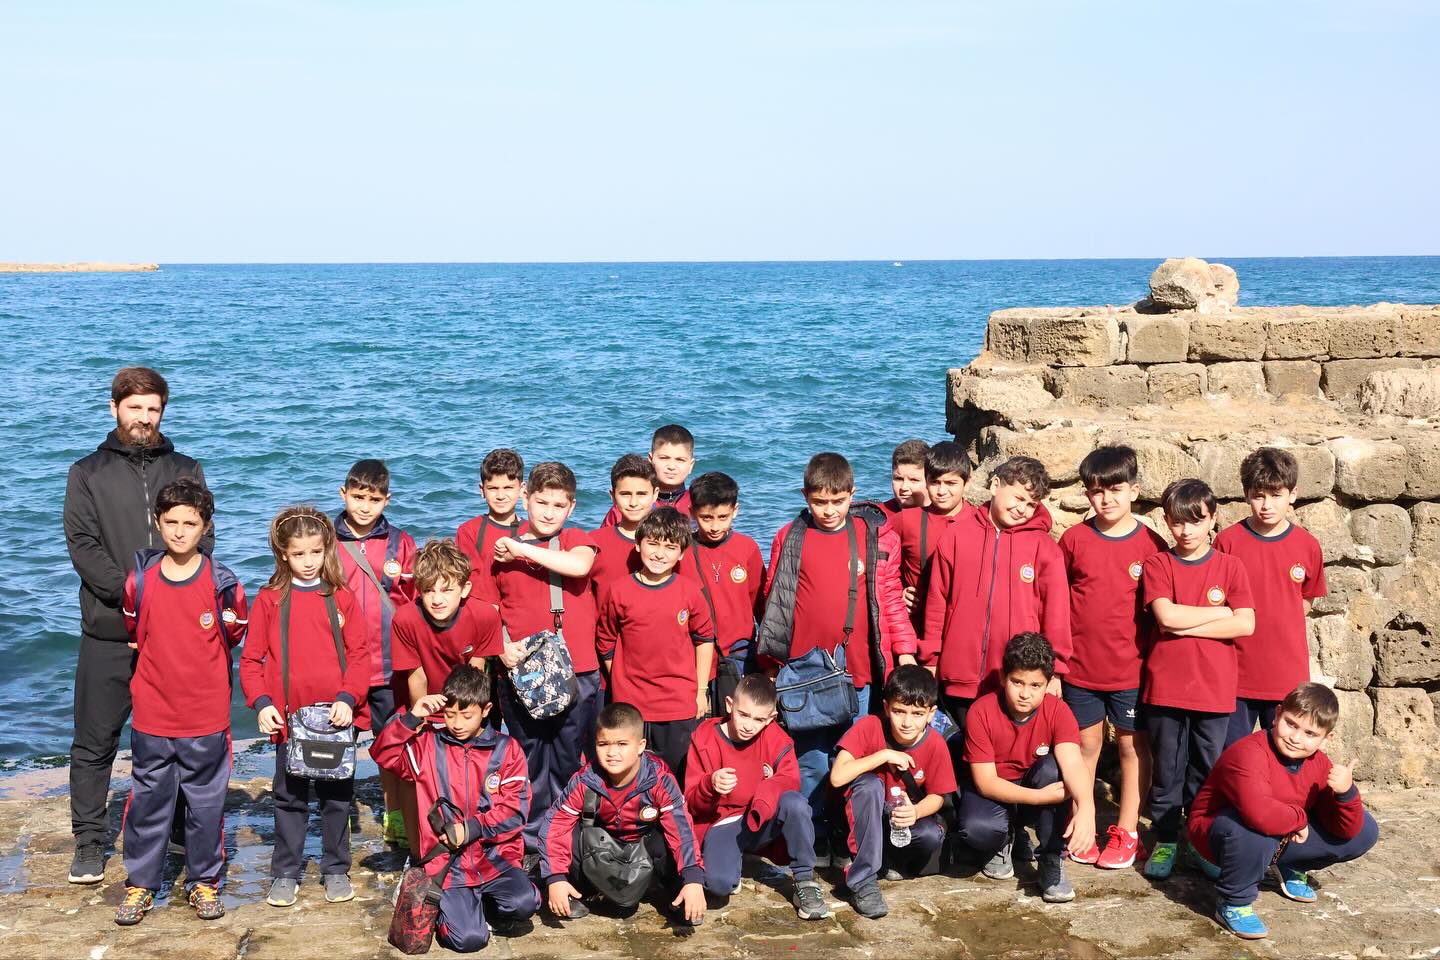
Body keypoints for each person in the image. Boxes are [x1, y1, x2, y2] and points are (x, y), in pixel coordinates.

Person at [63, 366, 210, 884]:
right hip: (107, 629)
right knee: (95, 740)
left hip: (172, 636)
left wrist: (168, 603)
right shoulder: (87, 473)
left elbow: (201, 542)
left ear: (163, 412)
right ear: (114, 409)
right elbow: (83, 546)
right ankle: (89, 839)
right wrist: (135, 594)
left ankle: (174, 826)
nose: (144, 418)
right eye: (134, 408)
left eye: (153, 410)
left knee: (172, 739)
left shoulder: (186, 467)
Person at [755, 452, 917, 865]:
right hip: (803, 676)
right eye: (819, 502)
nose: (828, 511)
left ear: (852, 495)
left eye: (837, 501)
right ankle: (812, 841)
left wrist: (906, 654)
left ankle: (852, 839)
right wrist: (772, 668)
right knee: (810, 762)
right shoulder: (788, 537)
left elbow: (891, 602)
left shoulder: (876, 537)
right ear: (805, 496)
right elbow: (774, 602)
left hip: (857, 671)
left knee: (851, 760)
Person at [112, 479, 247, 926]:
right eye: (171, 522)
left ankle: (204, 880)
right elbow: (135, 635)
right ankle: (140, 885)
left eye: (190, 523)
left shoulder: (224, 584)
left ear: (206, 527)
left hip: (206, 716)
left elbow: (232, 636)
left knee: (206, 805)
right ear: (157, 523)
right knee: (148, 802)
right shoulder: (140, 581)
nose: (180, 531)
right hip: (153, 714)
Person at [239, 506, 371, 907]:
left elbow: (361, 654)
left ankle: (335, 868)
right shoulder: (268, 600)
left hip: (334, 719)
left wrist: (349, 698)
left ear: (326, 549)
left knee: (336, 798)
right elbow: (251, 660)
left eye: (315, 552)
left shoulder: (342, 597)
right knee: (290, 797)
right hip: (289, 722)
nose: (309, 561)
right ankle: (285, 872)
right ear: (283, 554)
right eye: (299, 554)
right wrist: (261, 703)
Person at [1189, 682, 1378, 940]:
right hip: (1219, 835)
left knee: (1365, 831)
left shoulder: (1319, 763)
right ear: (1277, 714)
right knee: (1255, 829)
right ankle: (1234, 902)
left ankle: (1291, 865)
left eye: (1310, 733)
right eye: (1291, 724)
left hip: (1277, 831)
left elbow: (1346, 828)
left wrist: (1346, 793)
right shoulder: (1248, 752)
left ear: (1326, 739)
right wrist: (1299, 819)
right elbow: (1259, 813)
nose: (1296, 738)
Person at [371, 665, 540, 952]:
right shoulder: (427, 745)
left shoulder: (506, 749)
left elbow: (516, 811)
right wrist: (412, 717)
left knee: (525, 903)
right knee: (469, 940)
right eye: (450, 715)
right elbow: (382, 753)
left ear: (486, 710)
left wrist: (471, 828)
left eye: (466, 715)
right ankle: (450, 911)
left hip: (494, 857)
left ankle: (483, 903)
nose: (457, 723)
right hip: (447, 864)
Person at [1057, 445, 1167, 869]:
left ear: (1134, 491)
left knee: (1132, 750)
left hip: (1131, 669)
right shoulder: (1074, 540)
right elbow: (1057, 599)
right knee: (1083, 746)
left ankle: (1127, 830)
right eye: (1096, 491)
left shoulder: (1151, 544)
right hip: (1081, 668)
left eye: (1115, 489)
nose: (1106, 499)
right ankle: (1081, 821)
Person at [1141, 479, 1255, 880]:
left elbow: (1245, 624)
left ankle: (1202, 839)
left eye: (1195, 521)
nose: (1186, 531)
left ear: (1212, 519)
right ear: (1166, 522)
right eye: (1176, 522)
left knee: (1207, 770)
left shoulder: (1230, 566)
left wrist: (1188, 624)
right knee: (1167, 771)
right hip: (1166, 687)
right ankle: (1167, 839)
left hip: (1214, 689)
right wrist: (1219, 615)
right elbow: (1165, 617)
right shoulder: (1159, 564)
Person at [490, 462, 601, 861]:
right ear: (526, 499)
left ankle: (567, 838)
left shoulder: (575, 539)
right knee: (531, 757)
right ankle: (532, 840)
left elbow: (579, 565)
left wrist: (521, 549)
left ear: (571, 507)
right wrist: (501, 643)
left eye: (558, 504)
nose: (549, 512)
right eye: (541, 502)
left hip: (579, 671)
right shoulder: (501, 550)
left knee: (571, 757)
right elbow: (489, 606)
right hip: (524, 673)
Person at [921, 456, 1071, 748]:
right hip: (959, 673)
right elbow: (937, 601)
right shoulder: (956, 536)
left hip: (1014, 679)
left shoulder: (1044, 548)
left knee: (1005, 752)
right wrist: (931, 659)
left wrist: (1055, 672)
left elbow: (1056, 614)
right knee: (959, 750)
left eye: (1031, 504)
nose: (1022, 509)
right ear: (994, 485)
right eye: (1018, 498)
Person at [956, 633, 1096, 904]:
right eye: (1017, 682)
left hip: (1034, 785)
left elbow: (1073, 762)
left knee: (1057, 771)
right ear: (1002, 678)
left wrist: (1088, 807)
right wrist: (1042, 797)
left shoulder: (1059, 712)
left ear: (1048, 685)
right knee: (977, 830)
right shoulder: (980, 711)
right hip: (994, 794)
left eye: (1035, 685)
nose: (1024, 693)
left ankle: (1051, 857)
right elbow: (986, 782)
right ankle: (1003, 840)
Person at [538, 702, 706, 926]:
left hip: (644, 848)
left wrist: (693, 877)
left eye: (622, 744)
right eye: (603, 744)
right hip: (601, 848)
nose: (612, 753)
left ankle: (680, 895)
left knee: (669, 837)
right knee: (570, 833)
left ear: (640, 746)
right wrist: (555, 877)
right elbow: (555, 823)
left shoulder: (659, 779)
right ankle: (575, 892)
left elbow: (682, 829)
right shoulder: (584, 779)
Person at [390, 538, 504, 858]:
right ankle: (421, 854)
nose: (437, 599)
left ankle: (472, 841)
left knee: (471, 777)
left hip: (466, 702)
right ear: (419, 591)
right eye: (429, 591)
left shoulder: (483, 616)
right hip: (425, 703)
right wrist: (424, 723)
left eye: (446, 589)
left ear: (465, 589)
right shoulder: (406, 620)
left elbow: (477, 674)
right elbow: (417, 677)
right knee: (421, 779)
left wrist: (468, 722)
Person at [683, 675, 828, 920]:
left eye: (759, 719)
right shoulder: (704, 738)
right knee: (718, 886)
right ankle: (731, 865)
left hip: (764, 818)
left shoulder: (777, 738)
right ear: (729, 705)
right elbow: (690, 802)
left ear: (771, 718)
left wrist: (763, 796)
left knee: (795, 803)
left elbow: (789, 780)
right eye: (744, 715)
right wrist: (710, 784)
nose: (749, 725)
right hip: (723, 822)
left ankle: (804, 880)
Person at [1214, 447, 1327, 747]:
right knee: (1231, 756)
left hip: (1286, 678)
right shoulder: (1227, 542)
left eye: (1276, 495)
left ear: (1293, 494)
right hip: (1235, 675)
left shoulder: (1308, 546)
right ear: (1246, 494)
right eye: (1259, 495)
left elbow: (1305, 601)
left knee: (1284, 756)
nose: (1266, 505)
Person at [333, 457, 417, 847]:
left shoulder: (401, 543)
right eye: (358, 497)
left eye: (375, 499)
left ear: (388, 500)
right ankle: (338, 814)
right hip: (341, 665)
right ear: (343, 494)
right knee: (336, 745)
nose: (365, 506)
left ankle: (395, 813)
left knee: (391, 743)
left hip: (389, 664)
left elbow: (414, 601)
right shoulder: (325, 540)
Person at [596, 507, 715, 778]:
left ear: (681, 553)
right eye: (652, 544)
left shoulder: (689, 592)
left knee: (677, 775)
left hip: (679, 702)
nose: (660, 554)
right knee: (629, 775)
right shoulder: (619, 590)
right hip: (631, 704)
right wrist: (622, 681)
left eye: (670, 547)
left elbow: (704, 638)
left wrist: (700, 690)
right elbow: (605, 641)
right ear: (638, 545)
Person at [831, 665, 957, 919]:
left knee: (931, 836)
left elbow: (939, 796)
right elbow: (837, 777)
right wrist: (882, 755)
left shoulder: (935, 743)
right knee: (869, 785)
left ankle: (886, 859)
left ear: (931, 714)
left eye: (917, 713)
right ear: (887, 707)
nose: (907, 722)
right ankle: (863, 879)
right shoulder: (869, 726)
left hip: (899, 820)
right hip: (864, 816)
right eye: (899, 712)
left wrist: (917, 811)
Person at [676, 471, 766, 714]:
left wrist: (769, 664)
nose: (715, 526)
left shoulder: (747, 548)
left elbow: (762, 606)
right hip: (694, 657)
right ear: (692, 512)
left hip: (739, 656)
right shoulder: (681, 550)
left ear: (735, 510)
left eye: (723, 517)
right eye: (706, 518)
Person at [895, 440, 974, 628]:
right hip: (919, 625)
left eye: (950, 483)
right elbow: (878, 564)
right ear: (926, 480)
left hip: (964, 624)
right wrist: (898, 591)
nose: (941, 491)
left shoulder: (981, 521)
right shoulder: (906, 520)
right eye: (935, 482)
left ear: (967, 483)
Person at [456, 448, 525, 602]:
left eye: (508, 488)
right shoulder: (468, 531)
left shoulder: (531, 530)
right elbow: (469, 578)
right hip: (482, 608)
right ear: (482, 490)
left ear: (522, 489)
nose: (500, 496)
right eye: (493, 488)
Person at [600, 425, 696, 526]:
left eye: (680, 460)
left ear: (690, 465)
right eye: (664, 458)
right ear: (650, 459)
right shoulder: (628, 509)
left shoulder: (697, 503)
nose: (671, 466)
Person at [588, 453, 655, 596]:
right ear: (612, 496)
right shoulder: (595, 542)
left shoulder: (669, 542)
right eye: (625, 494)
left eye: (642, 494)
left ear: (655, 494)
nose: (633, 502)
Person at [881, 438, 930, 519]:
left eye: (913, 480)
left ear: (930, 482)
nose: (904, 487)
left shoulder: (947, 517)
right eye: (898, 479)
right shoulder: (879, 517)